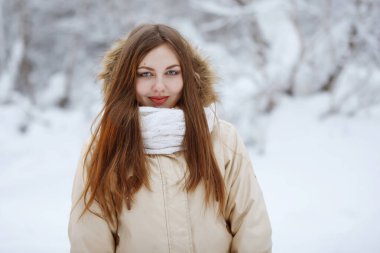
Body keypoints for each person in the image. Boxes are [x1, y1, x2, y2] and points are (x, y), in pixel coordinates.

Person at [68, 23, 272, 253]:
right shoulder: (103, 147)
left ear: (188, 76)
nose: (159, 86)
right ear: (126, 79)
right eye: (145, 74)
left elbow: (252, 226)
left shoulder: (222, 138)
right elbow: (89, 238)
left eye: (172, 72)